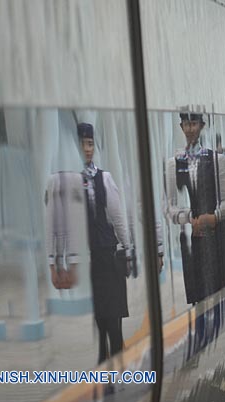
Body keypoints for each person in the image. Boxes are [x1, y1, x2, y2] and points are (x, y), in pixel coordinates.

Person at [164, 111, 225, 356]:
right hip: (191, 239)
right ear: (181, 126)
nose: (190, 128)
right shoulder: (173, 164)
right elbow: (169, 207)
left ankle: (212, 337)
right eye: (186, 124)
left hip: (217, 237)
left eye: (194, 123)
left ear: (202, 126)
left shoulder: (219, 161)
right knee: (198, 293)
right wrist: (189, 219)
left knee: (216, 289)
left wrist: (214, 217)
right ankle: (201, 341)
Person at [78, 122, 133, 364]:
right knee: (101, 315)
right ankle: (104, 358)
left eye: (90, 144)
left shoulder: (105, 178)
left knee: (113, 313)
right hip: (90, 258)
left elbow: (118, 217)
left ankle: (117, 355)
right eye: (82, 144)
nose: (87, 149)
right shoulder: (70, 180)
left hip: (109, 254)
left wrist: (127, 248)